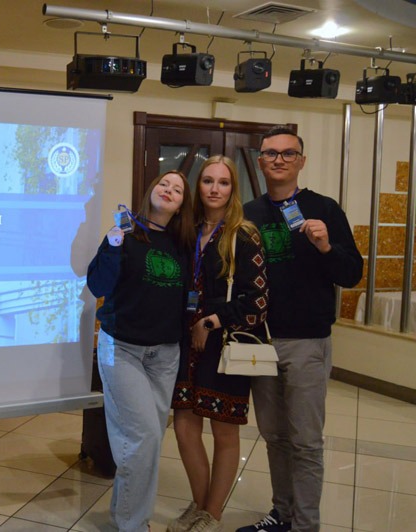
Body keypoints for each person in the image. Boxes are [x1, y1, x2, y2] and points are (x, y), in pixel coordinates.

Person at [238, 126, 363, 532]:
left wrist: (325, 247)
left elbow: (352, 273)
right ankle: (283, 514)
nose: (279, 159)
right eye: (271, 153)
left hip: (307, 341)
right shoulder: (249, 213)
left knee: (306, 442)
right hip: (261, 342)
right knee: (274, 437)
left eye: (288, 153)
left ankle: (306, 525)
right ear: (260, 161)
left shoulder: (324, 209)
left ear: (301, 161)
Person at [87, 171, 195, 532]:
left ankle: (126, 517)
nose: (169, 190)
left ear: (182, 205)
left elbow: (187, 298)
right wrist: (112, 245)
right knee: (144, 438)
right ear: (151, 190)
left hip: (165, 355)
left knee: (147, 442)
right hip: (122, 349)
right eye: (164, 184)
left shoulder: (183, 245)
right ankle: (134, 525)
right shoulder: (126, 234)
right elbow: (98, 285)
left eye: (177, 189)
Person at [168, 156, 269, 532]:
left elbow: (258, 300)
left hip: (223, 343)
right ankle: (198, 505)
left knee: (224, 431)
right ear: (198, 186)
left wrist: (211, 321)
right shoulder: (187, 230)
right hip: (185, 343)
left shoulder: (243, 234)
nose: (214, 188)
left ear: (232, 189)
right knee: (184, 426)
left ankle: (212, 513)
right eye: (208, 181)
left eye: (223, 182)